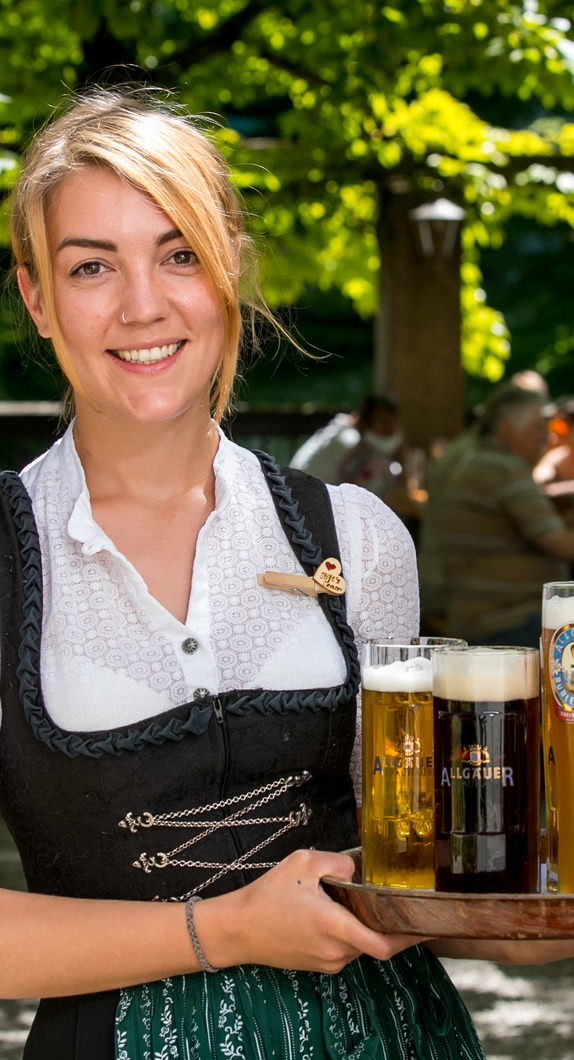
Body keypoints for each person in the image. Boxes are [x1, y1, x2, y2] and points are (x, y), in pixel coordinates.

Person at [3, 85, 573, 1060]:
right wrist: (222, 930)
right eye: (92, 265)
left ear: (229, 269)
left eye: (179, 253)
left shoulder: (353, 534)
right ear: (36, 295)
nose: (145, 303)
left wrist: (536, 881)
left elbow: (433, 891)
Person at [431, 386, 574, 646]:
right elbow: (562, 546)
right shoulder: (504, 469)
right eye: (538, 428)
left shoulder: (478, 459)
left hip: (480, 615)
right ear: (508, 429)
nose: (547, 437)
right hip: (505, 623)